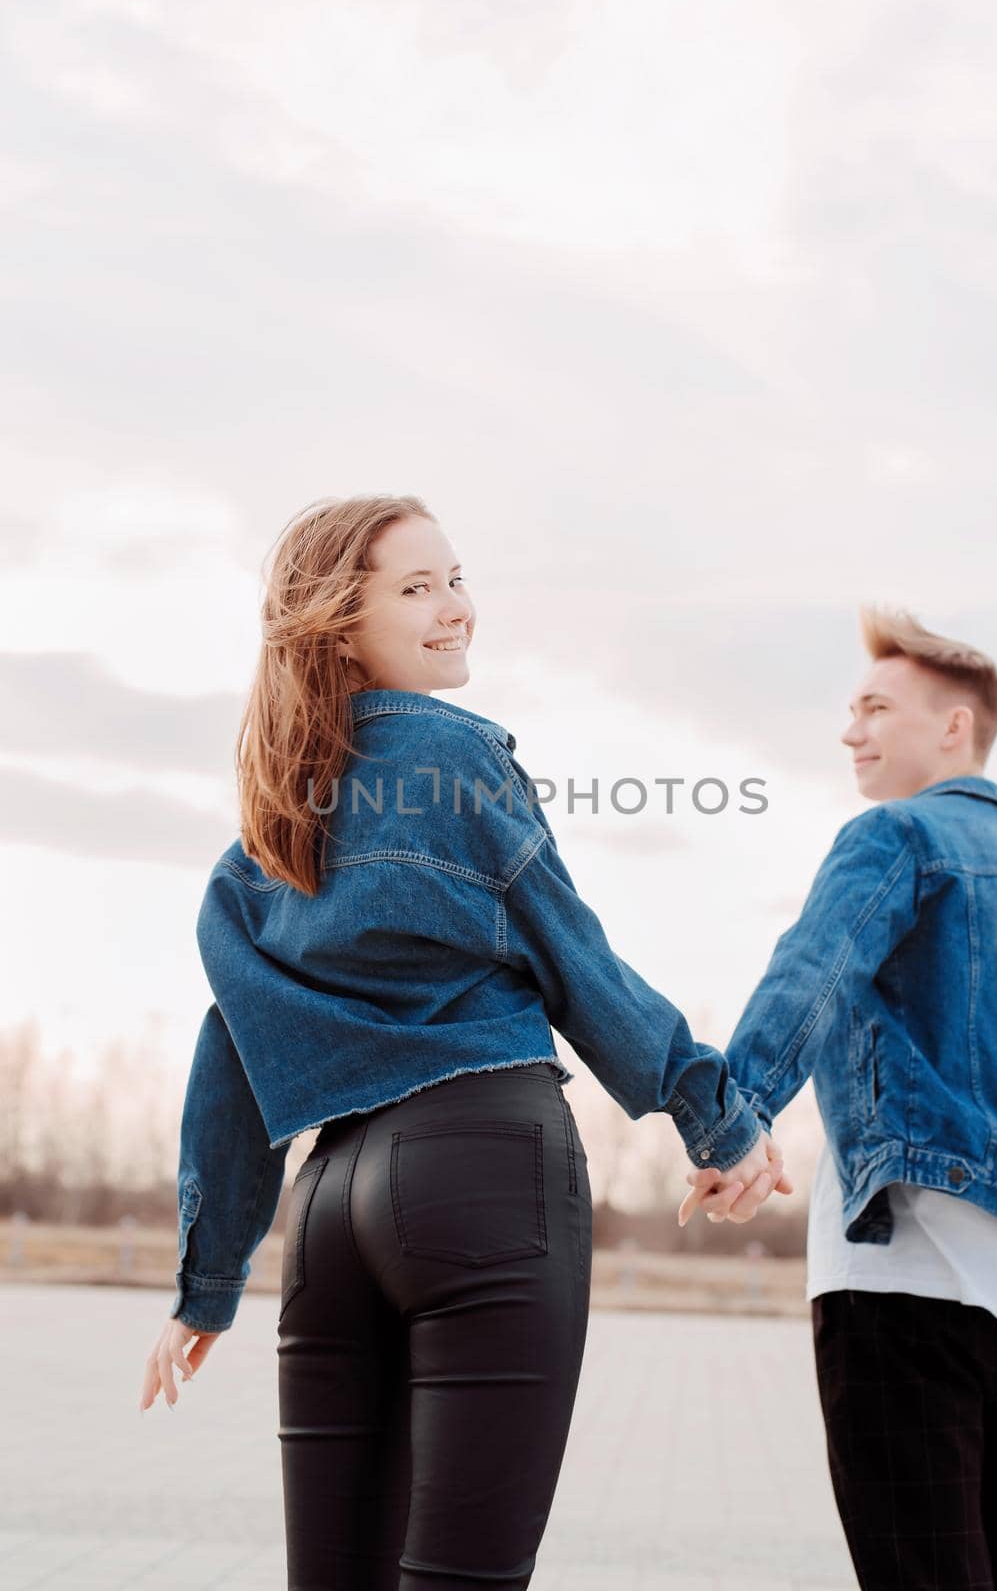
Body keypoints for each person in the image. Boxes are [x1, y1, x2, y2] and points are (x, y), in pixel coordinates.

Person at [138, 493, 792, 1590]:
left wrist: (205, 1286)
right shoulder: (452, 758)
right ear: (340, 623)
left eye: (456, 578)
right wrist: (716, 1117)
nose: (457, 609)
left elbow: (233, 1069)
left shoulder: (261, 841)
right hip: (478, 1171)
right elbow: (574, 958)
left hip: (332, 1209)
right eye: (416, 586)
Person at [679, 607, 997, 1590]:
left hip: (905, 1280)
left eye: (875, 707)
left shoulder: (894, 833)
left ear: (955, 727)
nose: (851, 730)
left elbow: (815, 969)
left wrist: (738, 1119)